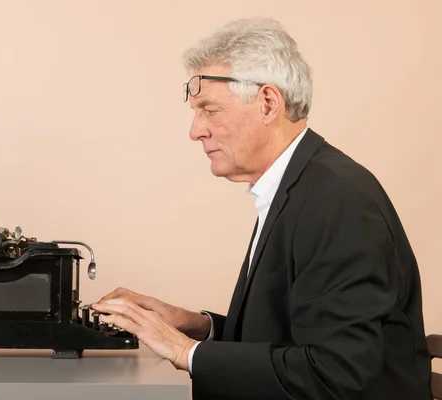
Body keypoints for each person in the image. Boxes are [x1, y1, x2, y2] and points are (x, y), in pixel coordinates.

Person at [90, 16, 432, 399]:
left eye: (210, 109)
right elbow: (286, 338)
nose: (195, 130)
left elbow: (336, 373)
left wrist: (184, 351)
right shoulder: (303, 185)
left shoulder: (337, 200)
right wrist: (197, 326)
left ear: (268, 103)